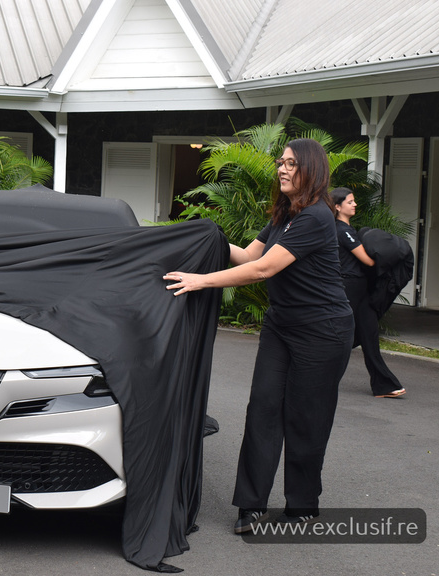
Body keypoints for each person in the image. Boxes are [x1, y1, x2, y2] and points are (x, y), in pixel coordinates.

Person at [164, 138, 354, 533]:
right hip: (282, 325)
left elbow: (264, 270)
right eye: (280, 163)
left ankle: (302, 505)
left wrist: (202, 281)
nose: (282, 169)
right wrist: (208, 237)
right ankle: (251, 506)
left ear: (311, 170)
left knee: (306, 417)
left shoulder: (317, 217)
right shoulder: (286, 216)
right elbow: (250, 256)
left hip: (323, 330)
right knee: (263, 410)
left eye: (291, 164)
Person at [332, 187, 406, 398]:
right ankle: (317, 377)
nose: (355, 204)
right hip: (350, 288)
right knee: (340, 335)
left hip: (359, 288)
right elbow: (368, 260)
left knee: (369, 334)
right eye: (350, 202)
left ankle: (385, 385)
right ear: (338, 207)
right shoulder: (342, 230)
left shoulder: (347, 229)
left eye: (354, 201)